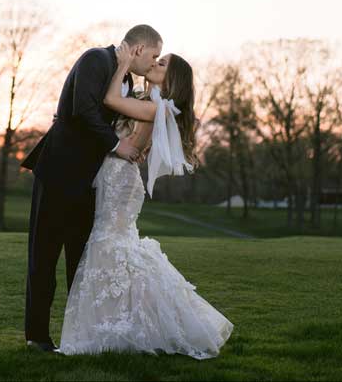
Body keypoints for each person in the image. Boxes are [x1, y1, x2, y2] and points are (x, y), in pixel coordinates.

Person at [58, 43, 234, 358]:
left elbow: (111, 99)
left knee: (109, 245)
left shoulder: (158, 108)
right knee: (114, 246)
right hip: (119, 175)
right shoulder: (152, 103)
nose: (155, 63)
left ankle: (116, 329)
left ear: (173, 79)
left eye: (162, 63)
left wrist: (123, 64)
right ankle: (118, 323)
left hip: (120, 177)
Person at [21, 25, 163, 353]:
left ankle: (81, 337)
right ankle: (37, 336)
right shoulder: (95, 59)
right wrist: (117, 146)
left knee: (81, 260)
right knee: (43, 256)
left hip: (91, 181)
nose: (153, 63)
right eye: (153, 56)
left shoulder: (124, 79)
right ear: (139, 48)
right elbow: (81, 110)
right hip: (59, 171)